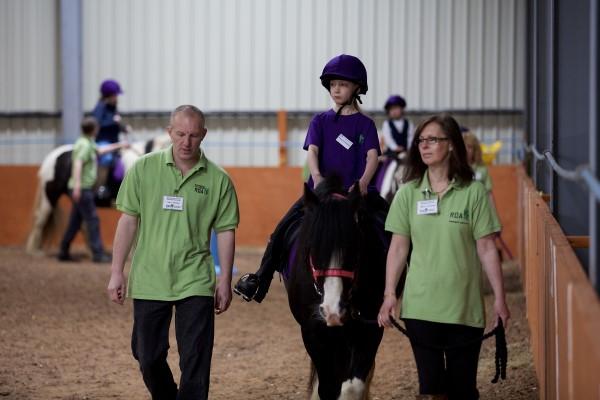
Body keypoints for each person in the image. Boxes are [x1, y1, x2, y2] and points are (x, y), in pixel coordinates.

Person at [106, 105, 239, 400]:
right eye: (180, 134)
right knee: (147, 355)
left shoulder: (219, 180)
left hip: (195, 279)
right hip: (149, 277)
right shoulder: (143, 169)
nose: (186, 142)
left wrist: (224, 280)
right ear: (169, 132)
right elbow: (127, 221)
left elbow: (226, 231)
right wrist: (117, 272)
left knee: (196, 359)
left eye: (193, 135)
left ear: (203, 135)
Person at [377, 114, 510, 400]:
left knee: (463, 390)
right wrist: (390, 295)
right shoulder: (407, 193)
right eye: (421, 140)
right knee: (431, 390)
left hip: (464, 307)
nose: (424, 146)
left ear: (451, 145)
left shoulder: (473, 192)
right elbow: (398, 248)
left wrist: (500, 299)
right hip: (420, 308)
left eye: (433, 139)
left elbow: (486, 248)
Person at [234, 54, 386, 302]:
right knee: (282, 230)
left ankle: (402, 280)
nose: (336, 89)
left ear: (356, 88)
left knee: (390, 226)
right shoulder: (320, 121)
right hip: (323, 194)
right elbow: (313, 151)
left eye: (343, 85)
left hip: (356, 195)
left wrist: (364, 181)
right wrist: (316, 177)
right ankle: (259, 278)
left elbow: (372, 157)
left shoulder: (365, 124)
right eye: (333, 84)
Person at [58, 116, 129, 263]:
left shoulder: (87, 142)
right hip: (83, 188)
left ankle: (63, 250)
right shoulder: (84, 145)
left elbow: (101, 150)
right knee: (93, 219)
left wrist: (119, 145)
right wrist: (77, 186)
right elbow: (78, 164)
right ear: (94, 129)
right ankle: (98, 254)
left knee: (75, 221)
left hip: (83, 188)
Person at [374, 95, 415, 200]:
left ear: (402, 109)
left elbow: (411, 137)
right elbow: (388, 138)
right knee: (389, 169)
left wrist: (409, 148)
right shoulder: (387, 124)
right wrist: (395, 147)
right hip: (393, 154)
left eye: (397, 108)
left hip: (406, 153)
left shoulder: (408, 124)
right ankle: (385, 190)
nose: (394, 111)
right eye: (392, 109)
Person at [92, 79, 130, 191]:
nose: (117, 98)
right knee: (107, 158)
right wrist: (113, 121)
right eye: (115, 95)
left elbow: (116, 123)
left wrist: (124, 127)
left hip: (114, 141)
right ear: (108, 95)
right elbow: (96, 124)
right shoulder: (100, 107)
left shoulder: (113, 107)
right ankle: (100, 186)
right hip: (102, 141)